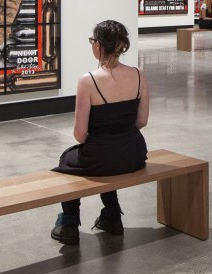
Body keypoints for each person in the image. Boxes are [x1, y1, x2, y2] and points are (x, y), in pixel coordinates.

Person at [50, 20, 148, 244]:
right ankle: (113, 216)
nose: (92, 44)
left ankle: (69, 224)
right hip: (134, 154)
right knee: (107, 159)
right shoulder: (139, 75)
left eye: (92, 40)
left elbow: (80, 134)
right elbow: (142, 120)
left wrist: (103, 139)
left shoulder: (88, 81)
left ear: (99, 45)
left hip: (102, 156)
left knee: (67, 160)